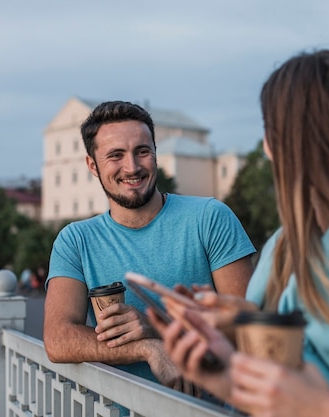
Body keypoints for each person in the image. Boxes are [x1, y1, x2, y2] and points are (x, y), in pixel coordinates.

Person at [152, 50, 329, 415]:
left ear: (287, 139)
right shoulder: (284, 242)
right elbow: (282, 380)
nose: (264, 146)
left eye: (269, 129)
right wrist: (233, 334)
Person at [43, 100, 256, 395]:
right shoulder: (75, 240)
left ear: (156, 154)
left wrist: (159, 328)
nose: (132, 167)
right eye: (115, 155)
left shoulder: (209, 217)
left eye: (142, 151)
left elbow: (250, 330)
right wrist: (148, 348)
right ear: (92, 165)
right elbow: (58, 338)